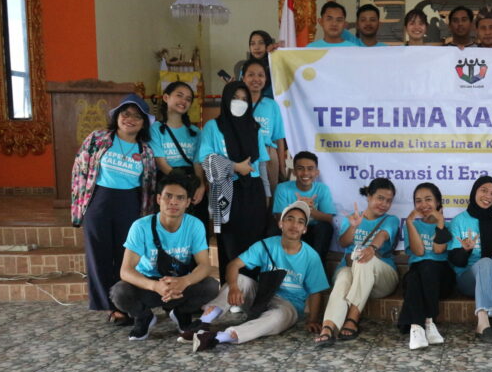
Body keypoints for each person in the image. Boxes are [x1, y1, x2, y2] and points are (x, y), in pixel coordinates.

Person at [191, 201, 328, 351]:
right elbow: (233, 265)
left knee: (277, 318)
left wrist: (313, 319)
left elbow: (316, 291)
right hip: (260, 297)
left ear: (305, 229)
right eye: (290, 219)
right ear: (281, 223)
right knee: (240, 279)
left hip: (288, 305)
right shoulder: (266, 245)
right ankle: (202, 323)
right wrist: (234, 287)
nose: (295, 225)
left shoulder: (311, 256)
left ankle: (218, 338)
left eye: (300, 222)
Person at [71, 93, 157, 325]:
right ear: (117, 116)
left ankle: (125, 303)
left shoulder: (146, 151)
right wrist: (78, 208)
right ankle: (110, 307)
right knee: (98, 255)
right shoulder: (97, 139)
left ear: (144, 123)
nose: (130, 119)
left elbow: (149, 187)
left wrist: (146, 217)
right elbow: (79, 171)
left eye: (137, 116)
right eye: (125, 114)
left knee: (125, 257)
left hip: (129, 205)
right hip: (98, 202)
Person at [110, 172, 219, 340]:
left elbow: (205, 266)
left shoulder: (195, 225)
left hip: (179, 285)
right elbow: (126, 271)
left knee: (211, 286)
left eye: (180, 198)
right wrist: (155, 286)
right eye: (168, 196)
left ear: (187, 202)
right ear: (159, 199)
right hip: (149, 286)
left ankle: (182, 313)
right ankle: (144, 317)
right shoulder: (140, 226)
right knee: (119, 292)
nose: (173, 202)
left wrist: (184, 281)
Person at [197, 81, 271, 284]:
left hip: (253, 192)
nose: (240, 102)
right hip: (225, 191)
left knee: (254, 243)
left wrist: (267, 195)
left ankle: (251, 290)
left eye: (244, 99)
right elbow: (206, 159)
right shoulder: (213, 127)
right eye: (235, 98)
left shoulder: (254, 127)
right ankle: (231, 290)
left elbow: (262, 165)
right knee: (229, 242)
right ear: (226, 99)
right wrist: (235, 167)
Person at [314, 178, 401, 346]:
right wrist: (353, 226)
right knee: (343, 278)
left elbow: (382, 235)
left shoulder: (391, 220)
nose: (384, 204)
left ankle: (353, 317)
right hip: (350, 272)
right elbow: (343, 243)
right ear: (369, 196)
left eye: (388, 201)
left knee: (364, 259)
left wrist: (372, 248)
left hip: (382, 280)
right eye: (380, 198)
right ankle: (328, 327)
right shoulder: (352, 218)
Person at [448, 176, 492, 342]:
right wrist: (465, 251)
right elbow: (456, 261)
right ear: (474, 192)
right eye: (483, 190)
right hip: (468, 279)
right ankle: (483, 323)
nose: (488, 196)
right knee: (485, 262)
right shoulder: (459, 221)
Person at [398, 183, 455, 350]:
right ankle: (423, 326)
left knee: (427, 267)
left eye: (428, 199)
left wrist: (440, 222)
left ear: (438, 202)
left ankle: (422, 322)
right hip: (418, 273)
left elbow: (438, 250)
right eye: (418, 201)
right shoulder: (412, 225)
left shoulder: (448, 226)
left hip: (441, 278)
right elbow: (419, 251)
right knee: (414, 277)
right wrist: (409, 222)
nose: (423, 205)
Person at [149, 81, 208, 229]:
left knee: (195, 226)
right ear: (166, 97)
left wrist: (201, 186)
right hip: (167, 180)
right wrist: (183, 184)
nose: (183, 101)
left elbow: (197, 163)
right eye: (179, 96)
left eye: (188, 99)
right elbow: (161, 163)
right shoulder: (155, 129)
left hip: (191, 182)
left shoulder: (195, 132)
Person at [271, 151, 337, 265]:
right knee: (274, 228)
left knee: (325, 228)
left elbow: (329, 218)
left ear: (316, 172)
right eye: (300, 168)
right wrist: (299, 207)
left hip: (312, 231)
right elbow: (279, 217)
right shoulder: (282, 188)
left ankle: (315, 266)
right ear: (294, 171)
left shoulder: (322, 189)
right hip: (291, 229)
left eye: (310, 169)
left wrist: (310, 210)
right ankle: (277, 265)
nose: (305, 173)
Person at [242, 58, 285, 191]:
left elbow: (279, 138)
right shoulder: (237, 104)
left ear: (266, 79)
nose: (256, 79)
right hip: (243, 155)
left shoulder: (272, 105)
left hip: (268, 155)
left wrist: (282, 167)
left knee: (269, 194)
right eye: (251, 75)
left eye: (260, 75)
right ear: (243, 78)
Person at [238, 30, 278, 98]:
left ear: (268, 45)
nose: (256, 47)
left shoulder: (276, 66)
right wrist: (233, 87)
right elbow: (242, 93)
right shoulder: (245, 68)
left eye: (261, 43)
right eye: (252, 44)